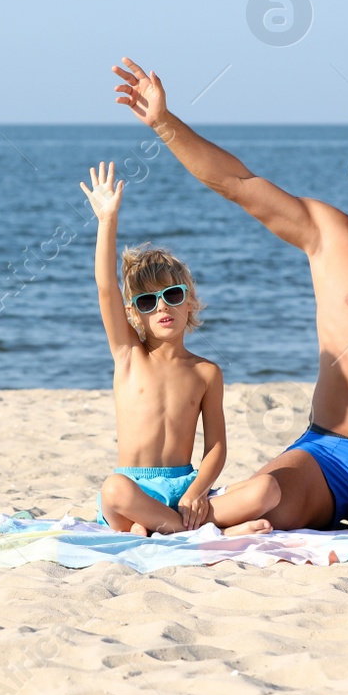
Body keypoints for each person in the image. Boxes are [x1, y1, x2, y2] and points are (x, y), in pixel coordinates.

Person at [111, 59, 348, 534]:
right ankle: (166, 522)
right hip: (324, 454)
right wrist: (164, 123)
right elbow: (238, 184)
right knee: (263, 505)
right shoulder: (328, 236)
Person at [79, 160, 226, 534]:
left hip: (184, 487)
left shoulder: (206, 372)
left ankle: (161, 525)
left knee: (264, 493)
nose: (161, 306)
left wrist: (197, 491)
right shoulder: (128, 356)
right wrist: (106, 220)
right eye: (147, 301)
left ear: (189, 301)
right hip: (133, 488)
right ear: (133, 313)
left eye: (172, 295)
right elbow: (105, 287)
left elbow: (216, 448)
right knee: (113, 489)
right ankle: (184, 529)